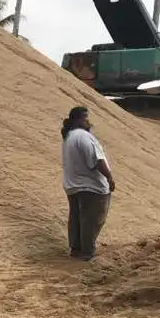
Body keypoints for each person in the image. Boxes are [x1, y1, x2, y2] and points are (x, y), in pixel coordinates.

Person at [61, 106, 115, 261]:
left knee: (77, 218)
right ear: (78, 120)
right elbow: (97, 160)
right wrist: (109, 177)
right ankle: (87, 252)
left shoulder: (69, 136)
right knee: (92, 219)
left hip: (73, 185)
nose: (88, 121)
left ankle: (76, 249)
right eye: (85, 118)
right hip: (91, 186)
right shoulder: (84, 136)